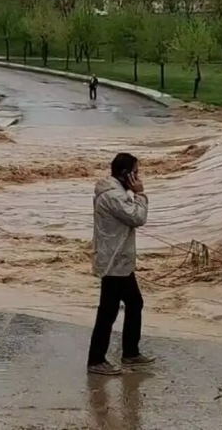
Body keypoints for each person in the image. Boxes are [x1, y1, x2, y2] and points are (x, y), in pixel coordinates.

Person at [87, 153, 155, 376]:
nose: (138, 176)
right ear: (127, 174)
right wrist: (141, 194)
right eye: (136, 172)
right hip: (114, 262)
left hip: (118, 260)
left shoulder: (112, 192)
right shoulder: (114, 196)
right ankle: (97, 360)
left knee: (134, 303)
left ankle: (130, 353)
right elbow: (137, 218)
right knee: (109, 311)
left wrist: (133, 194)